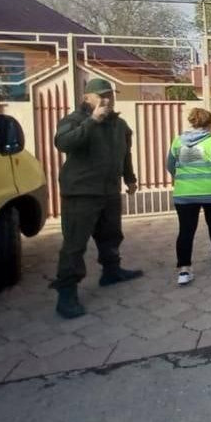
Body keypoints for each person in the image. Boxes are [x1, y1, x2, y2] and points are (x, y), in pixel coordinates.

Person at [52, 77, 143, 319]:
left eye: (110, 95)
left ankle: (111, 271)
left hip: (109, 190)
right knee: (75, 244)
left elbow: (125, 154)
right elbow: (63, 143)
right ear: (87, 98)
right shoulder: (75, 120)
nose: (106, 100)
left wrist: (130, 178)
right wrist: (93, 121)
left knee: (111, 235)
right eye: (101, 96)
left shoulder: (119, 125)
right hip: (81, 192)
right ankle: (66, 292)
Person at [167, 108, 211, 286]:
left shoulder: (178, 141)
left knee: (186, 230)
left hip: (184, 194)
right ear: (210, 124)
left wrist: (180, 177)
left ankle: (184, 270)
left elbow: (170, 164)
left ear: (192, 122)